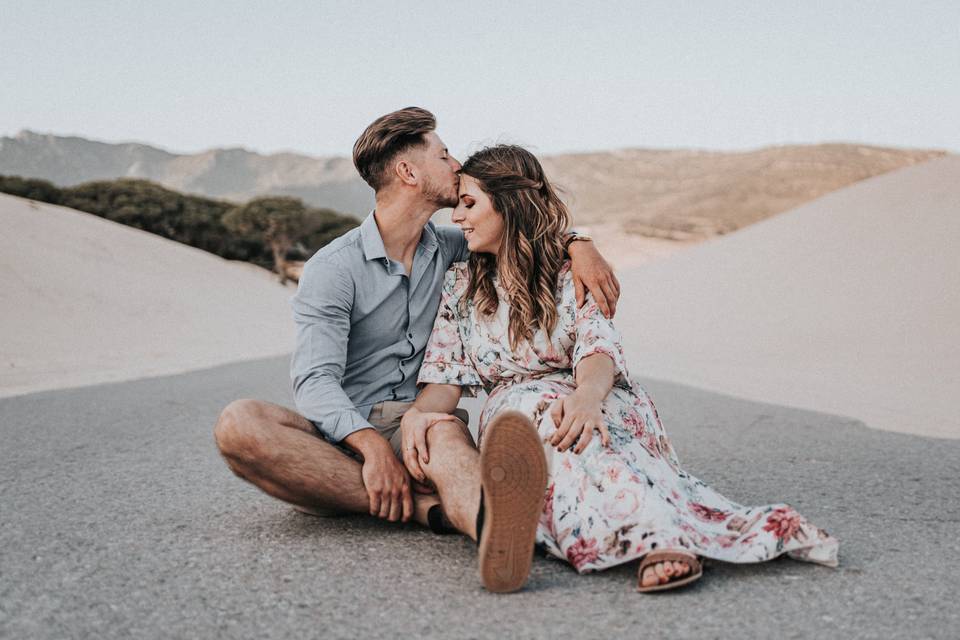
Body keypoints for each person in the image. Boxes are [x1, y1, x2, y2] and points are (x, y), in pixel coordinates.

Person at [212, 108, 620, 592]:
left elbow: (518, 233)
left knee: (439, 435)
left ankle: (496, 530)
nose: (456, 164)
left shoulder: (452, 246)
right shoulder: (334, 268)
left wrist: (580, 244)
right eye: (444, 155)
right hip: (343, 434)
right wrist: (368, 448)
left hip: (423, 421)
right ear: (408, 172)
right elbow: (314, 381)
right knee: (240, 423)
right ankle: (425, 506)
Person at [409, 144, 840, 592]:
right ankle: (565, 532)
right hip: (519, 420)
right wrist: (419, 417)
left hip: (595, 393)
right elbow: (444, 377)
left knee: (579, 433)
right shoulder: (462, 285)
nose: (457, 218)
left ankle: (655, 536)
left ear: (511, 202)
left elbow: (598, 350)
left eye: (470, 204)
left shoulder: (571, 273)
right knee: (547, 433)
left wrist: (585, 398)